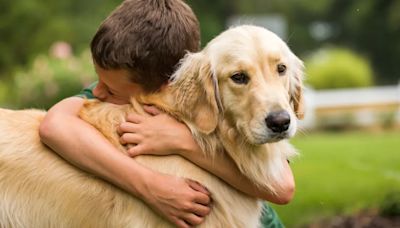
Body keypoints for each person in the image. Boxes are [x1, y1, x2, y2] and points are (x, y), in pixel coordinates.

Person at [39, 0, 295, 227]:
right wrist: (150, 185)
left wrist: (182, 141)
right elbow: (54, 125)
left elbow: (282, 187)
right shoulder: (117, 88)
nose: (98, 91)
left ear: (163, 88)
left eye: (111, 88)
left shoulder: (200, 90)